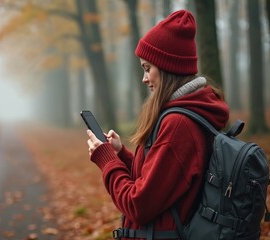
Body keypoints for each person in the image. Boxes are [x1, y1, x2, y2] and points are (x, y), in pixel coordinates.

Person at [86, 9, 230, 239]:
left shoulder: (179, 124)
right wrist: (120, 154)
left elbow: (138, 205)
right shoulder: (186, 115)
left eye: (147, 68)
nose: (144, 79)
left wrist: (106, 160)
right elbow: (161, 180)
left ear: (167, 68)